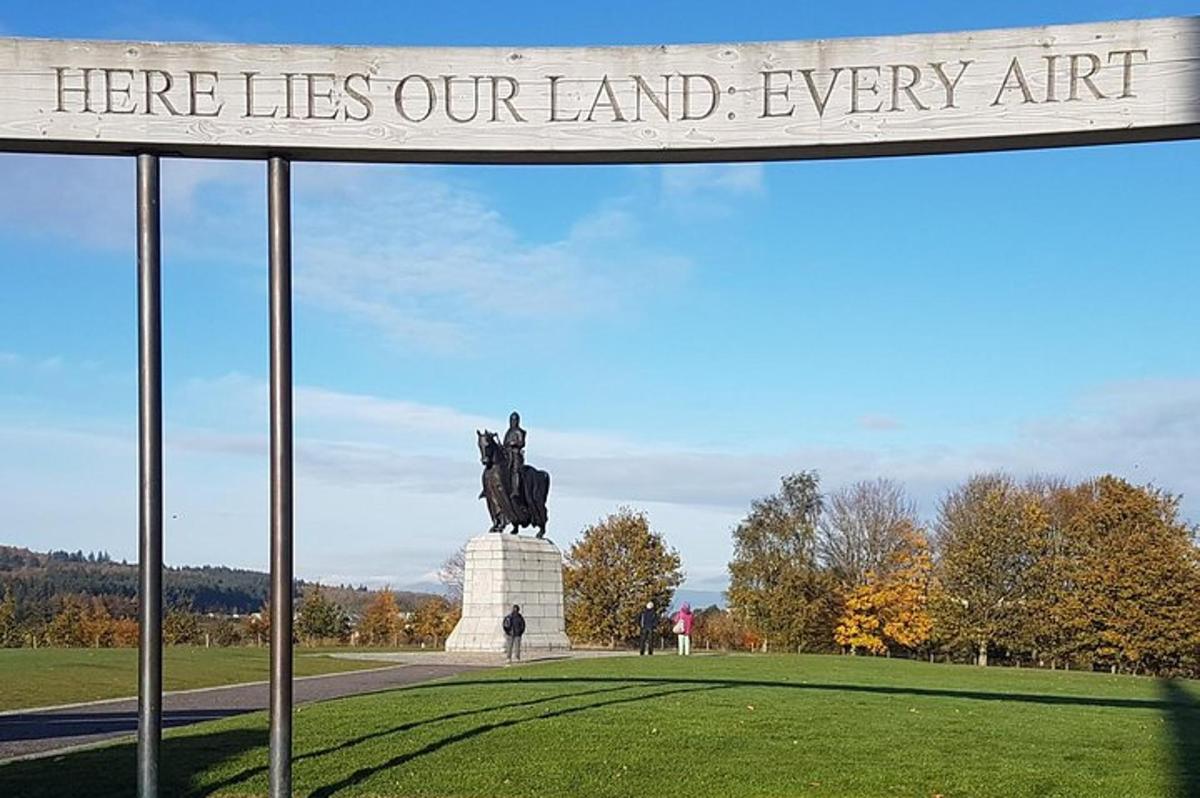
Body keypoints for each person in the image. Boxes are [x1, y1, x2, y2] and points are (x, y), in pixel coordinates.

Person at [503, 411, 526, 501]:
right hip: (507, 454)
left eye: (514, 420)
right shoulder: (508, 432)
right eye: (511, 420)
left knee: (515, 470)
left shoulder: (519, 431)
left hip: (516, 454)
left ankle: (516, 489)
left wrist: (513, 443)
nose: (513, 422)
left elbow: (522, 443)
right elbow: (505, 443)